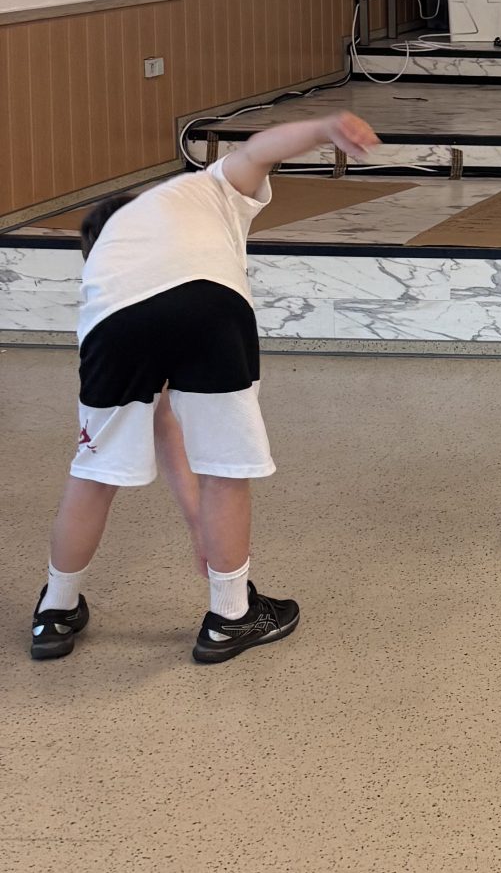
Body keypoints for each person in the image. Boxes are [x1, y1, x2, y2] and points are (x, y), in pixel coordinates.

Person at [27, 111, 382, 667]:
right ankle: (229, 617)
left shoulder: (108, 268)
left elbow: (160, 415)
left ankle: (55, 612)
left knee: (94, 471)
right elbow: (260, 149)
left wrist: (197, 526)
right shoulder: (201, 188)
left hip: (113, 325)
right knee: (225, 470)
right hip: (211, 303)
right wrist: (326, 127)